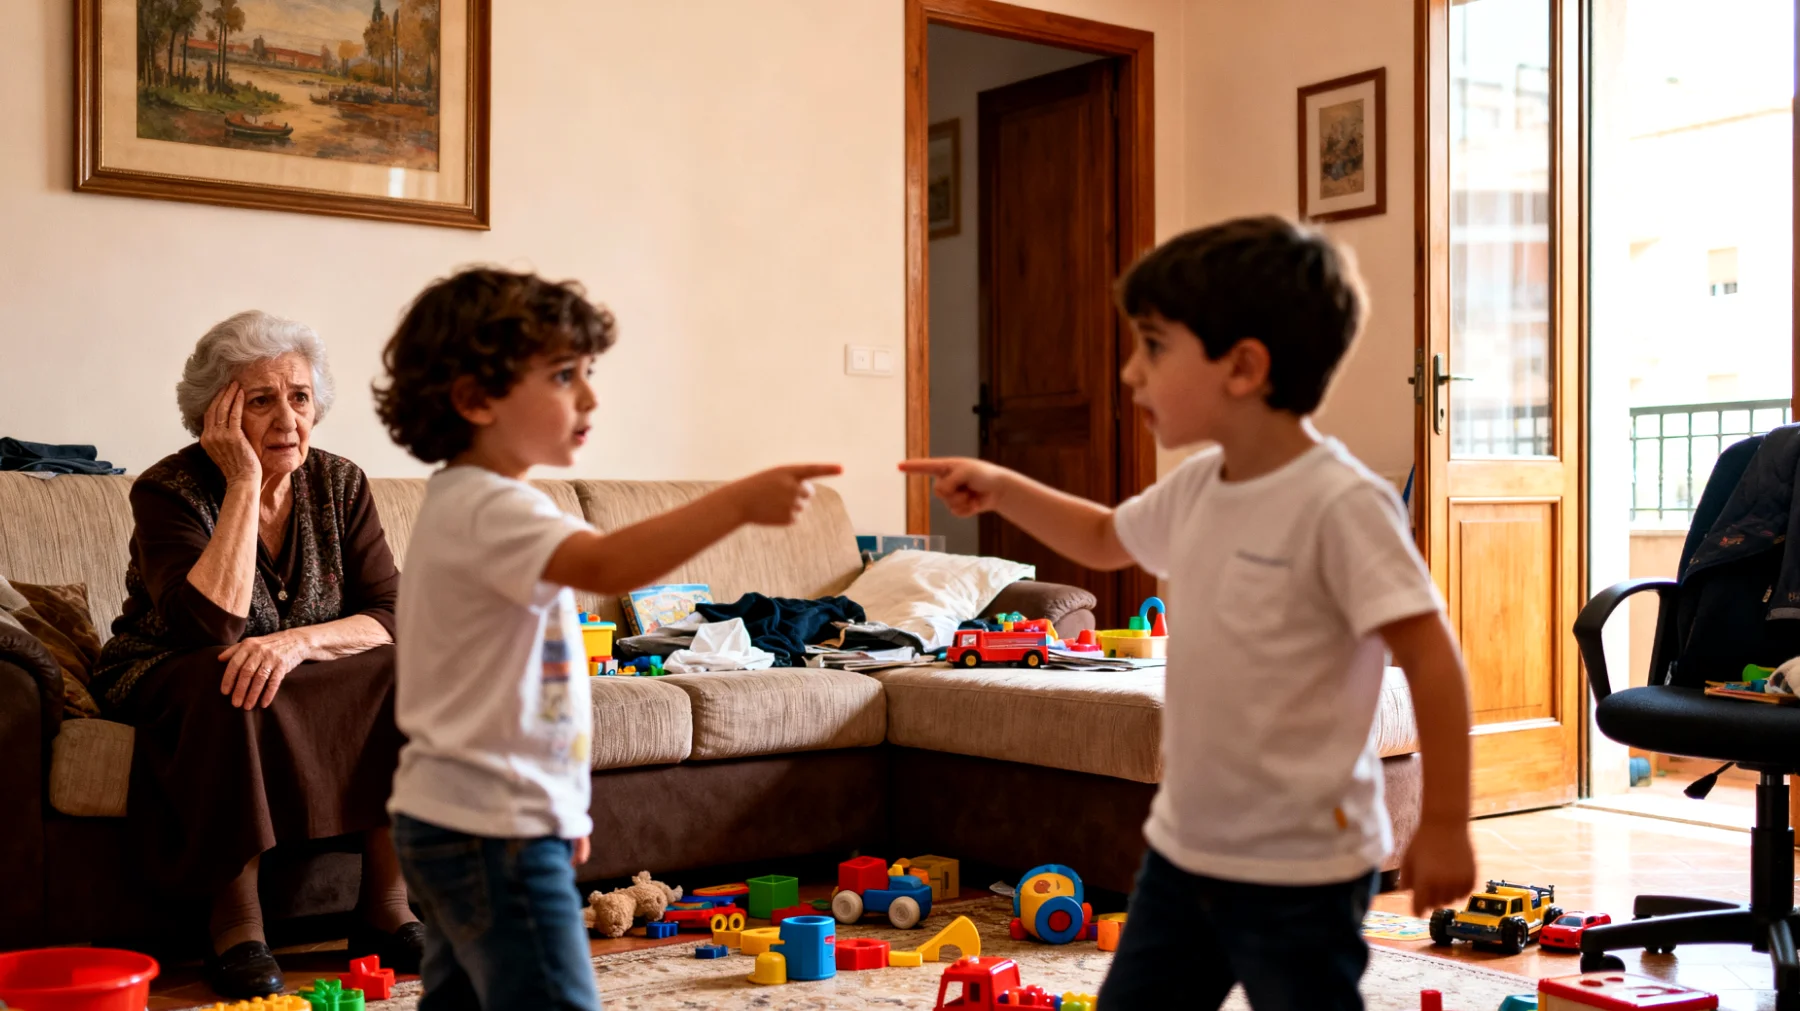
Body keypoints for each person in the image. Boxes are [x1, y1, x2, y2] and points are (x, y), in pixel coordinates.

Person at [901, 216, 1477, 1011]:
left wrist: (1446, 821)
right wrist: (1003, 487)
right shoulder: (1200, 484)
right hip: (1185, 852)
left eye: (1153, 344)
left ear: (1243, 366)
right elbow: (1105, 535)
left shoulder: (1343, 506)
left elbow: (1435, 660)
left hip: (1302, 868)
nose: (1131, 372)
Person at [372, 268, 841, 1011]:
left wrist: (563, 811)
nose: (589, 396)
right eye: (563, 375)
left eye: (588, 372)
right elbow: (608, 562)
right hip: (494, 832)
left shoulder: (470, 505)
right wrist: (739, 500)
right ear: (475, 398)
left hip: (464, 821)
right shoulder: (492, 509)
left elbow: (527, 693)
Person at [90, 311, 422, 999]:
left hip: (297, 669)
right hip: (171, 666)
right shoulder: (167, 490)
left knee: (407, 667)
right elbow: (206, 627)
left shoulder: (342, 484)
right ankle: (238, 924)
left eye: (299, 397)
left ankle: (387, 911)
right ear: (216, 412)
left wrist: (297, 641)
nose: (287, 418)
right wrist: (243, 484)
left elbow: (391, 615)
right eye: (260, 400)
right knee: (228, 675)